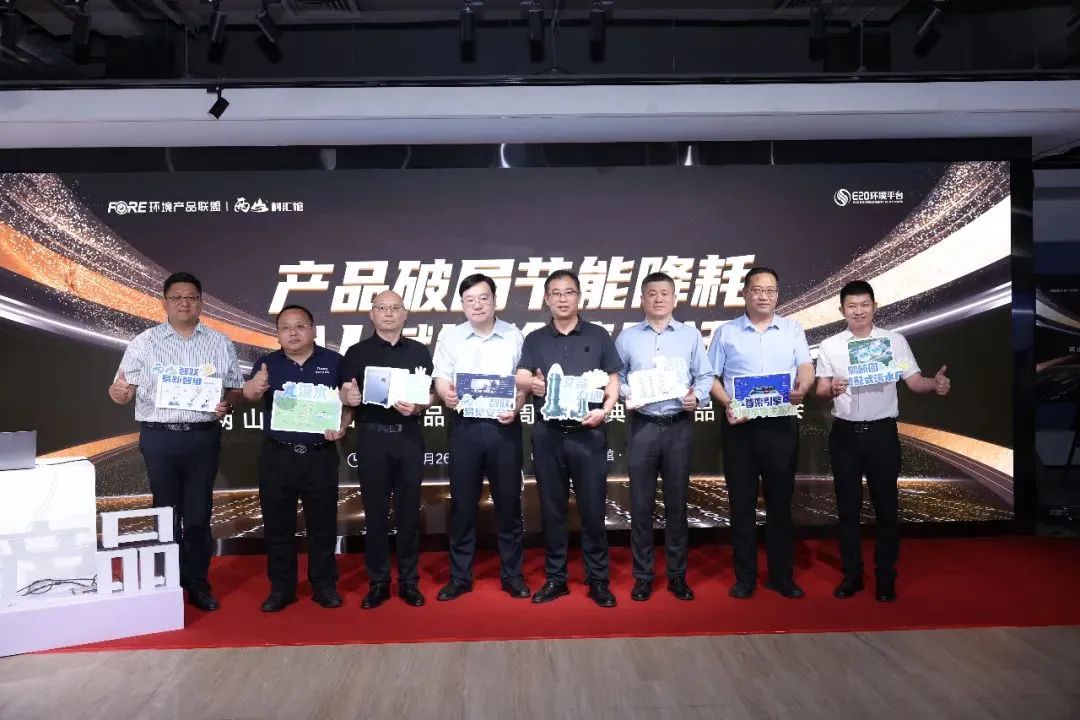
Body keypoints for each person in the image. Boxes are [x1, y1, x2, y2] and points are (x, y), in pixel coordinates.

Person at [108, 272, 243, 611]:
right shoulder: (144, 342)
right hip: (160, 438)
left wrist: (227, 403)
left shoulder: (220, 342)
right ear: (164, 303)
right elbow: (121, 390)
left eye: (191, 297)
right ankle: (166, 582)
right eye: (177, 297)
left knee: (198, 515)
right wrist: (118, 393)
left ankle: (197, 583)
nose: (184, 302)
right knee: (165, 512)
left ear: (201, 302)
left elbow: (235, 389)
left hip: (202, 437)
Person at [815, 280, 951, 602]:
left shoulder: (894, 342)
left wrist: (934, 384)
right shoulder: (831, 345)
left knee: (887, 508)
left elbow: (914, 382)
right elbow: (820, 390)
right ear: (842, 310)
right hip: (845, 435)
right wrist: (831, 388)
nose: (858, 311)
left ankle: (886, 576)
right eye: (852, 306)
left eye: (865, 305)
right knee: (848, 509)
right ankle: (852, 575)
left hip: (882, 434)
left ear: (875, 307)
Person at [516, 270, 622, 608]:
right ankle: (556, 578)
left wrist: (605, 410)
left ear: (579, 296)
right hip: (548, 436)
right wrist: (531, 384)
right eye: (556, 293)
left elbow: (613, 379)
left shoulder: (598, 335)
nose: (563, 299)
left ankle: (598, 579)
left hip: (588, 434)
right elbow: (521, 375)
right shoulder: (534, 339)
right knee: (552, 511)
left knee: (593, 511)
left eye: (569, 292)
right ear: (547, 299)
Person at [708, 266, 814, 600]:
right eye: (757, 290)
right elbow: (710, 377)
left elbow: (806, 367)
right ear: (745, 294)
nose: (764, 296)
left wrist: (803, 387)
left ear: (777, 294)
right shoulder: (726, 333)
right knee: (741, 503)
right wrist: (728, 403)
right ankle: (745, 578)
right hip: (740, 428)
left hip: (781, 425)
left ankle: (782, 576)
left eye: (770, 290)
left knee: (780, 503)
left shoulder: (793, 330)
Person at [242, 304, 350, 612]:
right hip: (278, 455)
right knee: (278, 526)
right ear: (277, 334)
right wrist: (253, 388)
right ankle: (282, 588)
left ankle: (324, 585)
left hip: (320, 456)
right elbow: (250, 395)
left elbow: (348, 401)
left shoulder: (334, 361)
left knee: (323, 526)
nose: (293, 332)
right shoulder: (267, 363)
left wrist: (343, 423)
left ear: (313, 330)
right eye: (285, 327)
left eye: (300, 326)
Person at [616, 272, 714, 602]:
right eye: (652, 293)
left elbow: (705, 375)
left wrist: (697, 397)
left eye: (664, 293)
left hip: (678, 427)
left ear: (674, 299)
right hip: (643, 426)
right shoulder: (627, 337)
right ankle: (643, 576)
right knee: (641, 505)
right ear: (642, 299)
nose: (658, 299)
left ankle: (677, 576)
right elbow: (617, 377)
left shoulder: (690, 336)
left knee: (676, 505)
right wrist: (629, 393)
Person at [432, 274, 529, 601]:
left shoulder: (514, 335)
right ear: (462, 304)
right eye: (470, 300)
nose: (477, 305)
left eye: (483, 298)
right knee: (462, 505)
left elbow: (523, 383)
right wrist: (446, 394)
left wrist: (517, 405)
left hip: (504, 428)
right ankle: (460, 577)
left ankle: (513, 575)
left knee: (509, 504)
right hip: (465, 429)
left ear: (495, 301)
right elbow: (441, 378)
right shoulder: (451, 337)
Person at [339, 290, 433, 609]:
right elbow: (346, 394)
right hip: (372, 439)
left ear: (405, 314)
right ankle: (378, 582)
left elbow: (429, 394)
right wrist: (347, 398)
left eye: (395, 308)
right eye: (382, 307)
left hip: (408, 437)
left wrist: (420, 405)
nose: (389, 313)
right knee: (375, 514)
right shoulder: (356, 352)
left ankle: (409, 581)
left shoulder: (419, 351)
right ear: (372, 314)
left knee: (408, 513)